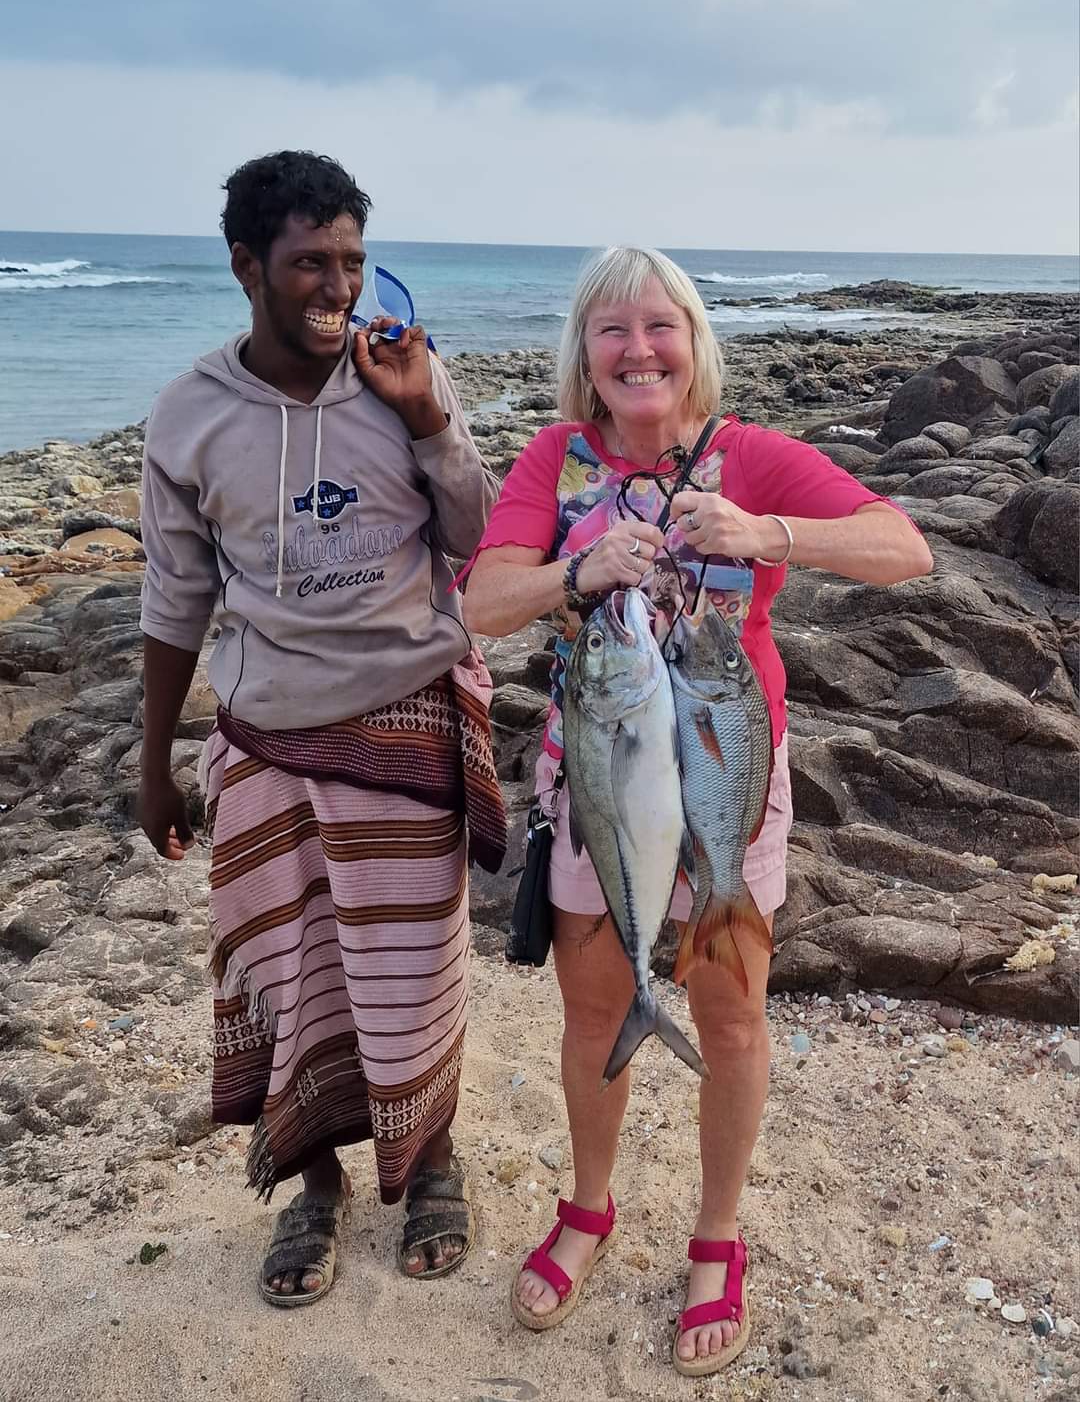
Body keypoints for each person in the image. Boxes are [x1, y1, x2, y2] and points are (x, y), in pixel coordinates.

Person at [461, 246, 932, 1376]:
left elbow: (903, 548)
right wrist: (577, 575)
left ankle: (717, 1235)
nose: (637, 349)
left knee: (730, 1016)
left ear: (694, 342)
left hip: (726, 777)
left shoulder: (750, 457)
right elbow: (480, 601)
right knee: (593, 1012)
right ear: (584, 352)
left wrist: (767, 533)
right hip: (603, 785)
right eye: (611, 329)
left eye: (659, 325)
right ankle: (588, 1205)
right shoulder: (554, 459)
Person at [137, 150, 504, 1307]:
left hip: (404, 718)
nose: (336, 284)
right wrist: (152, 761)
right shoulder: (190, 415)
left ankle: (432, 1160)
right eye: (309, 261)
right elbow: (173, 596)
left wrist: (429, 414)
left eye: (350, 257)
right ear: (247, 265)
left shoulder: (401, 378)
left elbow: (485, 537)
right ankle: (316, 1181)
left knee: (410, 969)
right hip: (265, 734)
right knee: (286, 971)